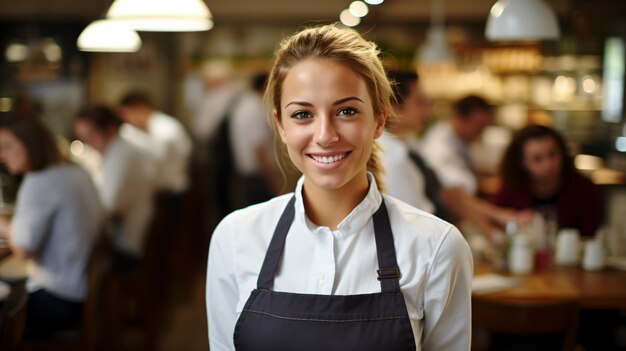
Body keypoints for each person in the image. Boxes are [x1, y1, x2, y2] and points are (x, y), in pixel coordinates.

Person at [206, 25, 473, 351]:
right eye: (302, 114)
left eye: (346, 111)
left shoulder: (437, 248)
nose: (325, 135)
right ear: (281, 126)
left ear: (378, 119)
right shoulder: (235, 238)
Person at [0, 113, 103, 339]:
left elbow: (25, 250)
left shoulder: (38, 181)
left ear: (30, 144)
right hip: (80, 292)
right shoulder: (77, 170)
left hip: (57, 300)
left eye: (7, 146)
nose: (1, 155)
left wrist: (5, 223)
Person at [74, 105, 157, 272]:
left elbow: (107, 205)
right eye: (84, 138)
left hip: (126, 244)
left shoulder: (121, 153)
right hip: (130, 231)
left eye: (91, 135)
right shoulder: (121, 146)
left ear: (110, 128)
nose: (89, 144)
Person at [490, 124, 603, 237]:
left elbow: (591, 237)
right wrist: (513, 220)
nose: (548, 165)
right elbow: (491, 217)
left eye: (552, 155)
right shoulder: (512, 187)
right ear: (521, 163)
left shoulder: (584, 189)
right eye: (537, 159)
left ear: (563, 152)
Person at [118, 90, 192, 196]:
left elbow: (156, 159)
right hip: (160, 188)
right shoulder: (147, 128)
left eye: (126, 114)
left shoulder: (166, 128)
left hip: (170, 190)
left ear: (140, 108)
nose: (126, 120)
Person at [420, 94, 492, 195]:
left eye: (484, 127)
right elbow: (452, 186)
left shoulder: (460, 140)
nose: (481, 133)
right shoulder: (438, 147)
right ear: (458, 118)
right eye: (478, 126)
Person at [230, 73, 279, 206]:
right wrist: (271, 180)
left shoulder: (243, 106)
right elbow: (259, 148)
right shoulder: (255, 109)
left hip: (246, 175)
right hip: (258, 177)